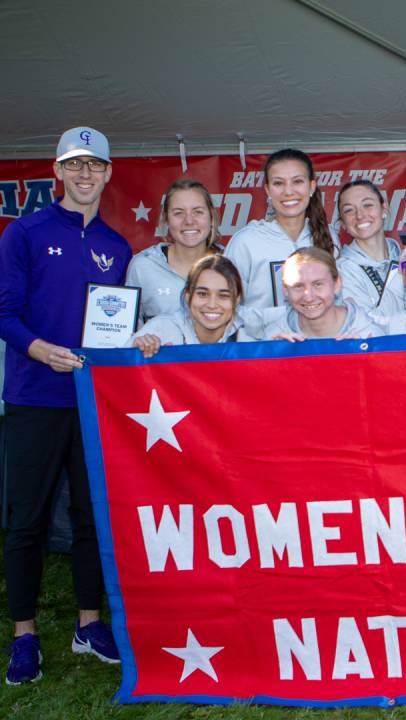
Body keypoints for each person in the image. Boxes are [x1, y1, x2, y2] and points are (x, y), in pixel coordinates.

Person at [0, 126, 129, 684]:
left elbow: (121, 327)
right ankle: (23, 635)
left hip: (92, 402)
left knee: (88, 517)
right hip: (34, 396)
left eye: (94, 165)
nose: (84, 174)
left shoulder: (117, 246)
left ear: (107, 173)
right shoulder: (24, 233)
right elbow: (3, 311)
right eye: (74, 165)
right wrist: (38, 349)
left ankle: (88, 623)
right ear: (57, 171)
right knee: (25, 521)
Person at [224, 149, 336, 311]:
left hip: (318, 337)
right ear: (268, 190)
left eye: (297, 181)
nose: (288, 191)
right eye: (278, 183)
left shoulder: (328, 235)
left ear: (311, 186)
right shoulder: (246, 242)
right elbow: (227, 309)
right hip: (263, 337)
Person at [125, 179, 222, 321]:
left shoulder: (232, 262)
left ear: (211, 217)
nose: (189, 221)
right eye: (178, 213)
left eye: (198, 212)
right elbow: (129, 333)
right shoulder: (143, 267)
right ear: (166, 219)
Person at [132, 255, 250, 356]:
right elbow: (118, 373)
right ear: (188, 295)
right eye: (203, 294)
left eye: (223, 295)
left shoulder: (251, 339)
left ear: (237, 299)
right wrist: (134, 352)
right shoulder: (160, 330)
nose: (212, 305)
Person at [261, 247, 379, 341]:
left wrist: (367, 360)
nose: (308, 297)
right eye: (298, 286)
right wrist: (274, 361)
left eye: (317, 284)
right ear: (285, 289)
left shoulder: (370, 335)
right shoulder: (273, 338)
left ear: (337, 284)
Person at [334, 179, 406, 322]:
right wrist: (398, 278)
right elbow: (367, 326)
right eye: (349, 210)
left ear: (384, 208)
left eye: (367, 205)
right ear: (343, 223)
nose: (360, 215)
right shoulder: (343, 271)